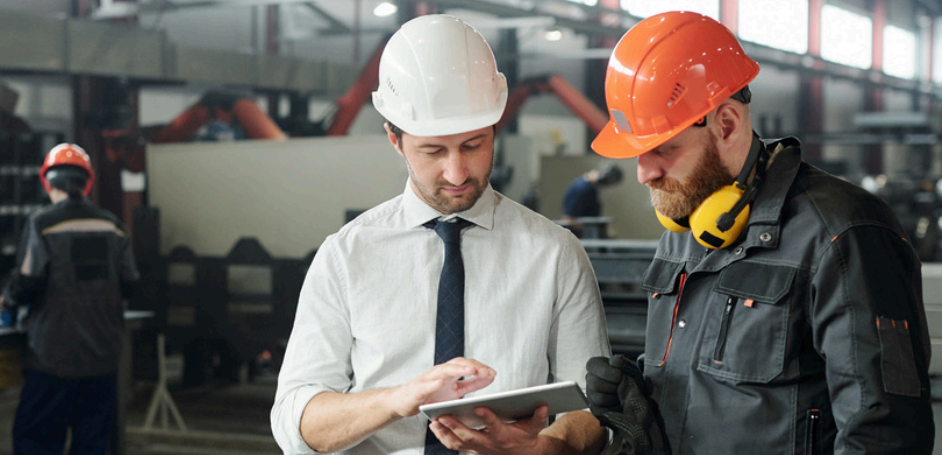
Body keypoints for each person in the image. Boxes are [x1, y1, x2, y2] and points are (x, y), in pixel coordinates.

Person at [583, 11, 934, 455]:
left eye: (661, 149)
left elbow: (885, 436)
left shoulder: (844, 235)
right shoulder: (686, 227)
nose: (643, 173)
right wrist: (635, 393)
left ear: (726, 124)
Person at [271, 14, 612, 455]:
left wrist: (538, 451)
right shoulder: (347, 256)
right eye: (433, 150)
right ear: (394, 138)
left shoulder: (555, 253)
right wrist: (397, 400)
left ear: (495, 127)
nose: (456, 173)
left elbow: (594, 411)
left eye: (474, 144)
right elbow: (295, 424)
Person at [0, 143, 140, 455]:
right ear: (87, 182)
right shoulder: (114, 227)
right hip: (102, 358)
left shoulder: (42, 224)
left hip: (52, 358)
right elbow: (131, 283)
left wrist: (7, 299)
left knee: (37, 440)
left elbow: (26, 282)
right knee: (92, 443)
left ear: (46, 181)